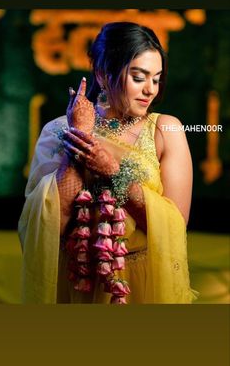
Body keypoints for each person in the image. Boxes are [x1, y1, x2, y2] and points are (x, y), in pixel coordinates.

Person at [18, 21, 198, 304]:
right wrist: (80, 138)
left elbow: (174, 225)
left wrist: (114, 172)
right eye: (139, 77)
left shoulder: (167, 129)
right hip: (75, 283)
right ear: (103, 74)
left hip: (139, 284)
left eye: (157, 78)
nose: (150, 89)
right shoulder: (58, 130)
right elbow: (49, 225)